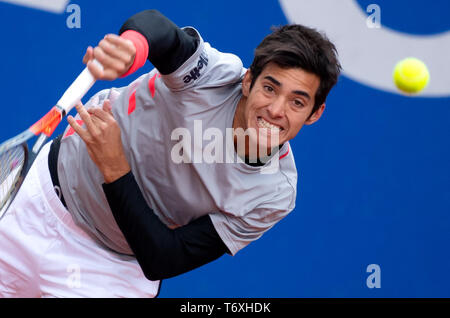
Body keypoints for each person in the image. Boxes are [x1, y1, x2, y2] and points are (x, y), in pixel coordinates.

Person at [0, 9, 341, 297]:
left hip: (109, 273)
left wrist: (115, 167)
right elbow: (159, 30)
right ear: (248, 82)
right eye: (270, 88)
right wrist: (132, 50)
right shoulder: (213, 75)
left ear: (315, 113)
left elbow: (165, 257)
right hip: (35, 201)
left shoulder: (273, 194)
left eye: (297, 102)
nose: (276, 110)